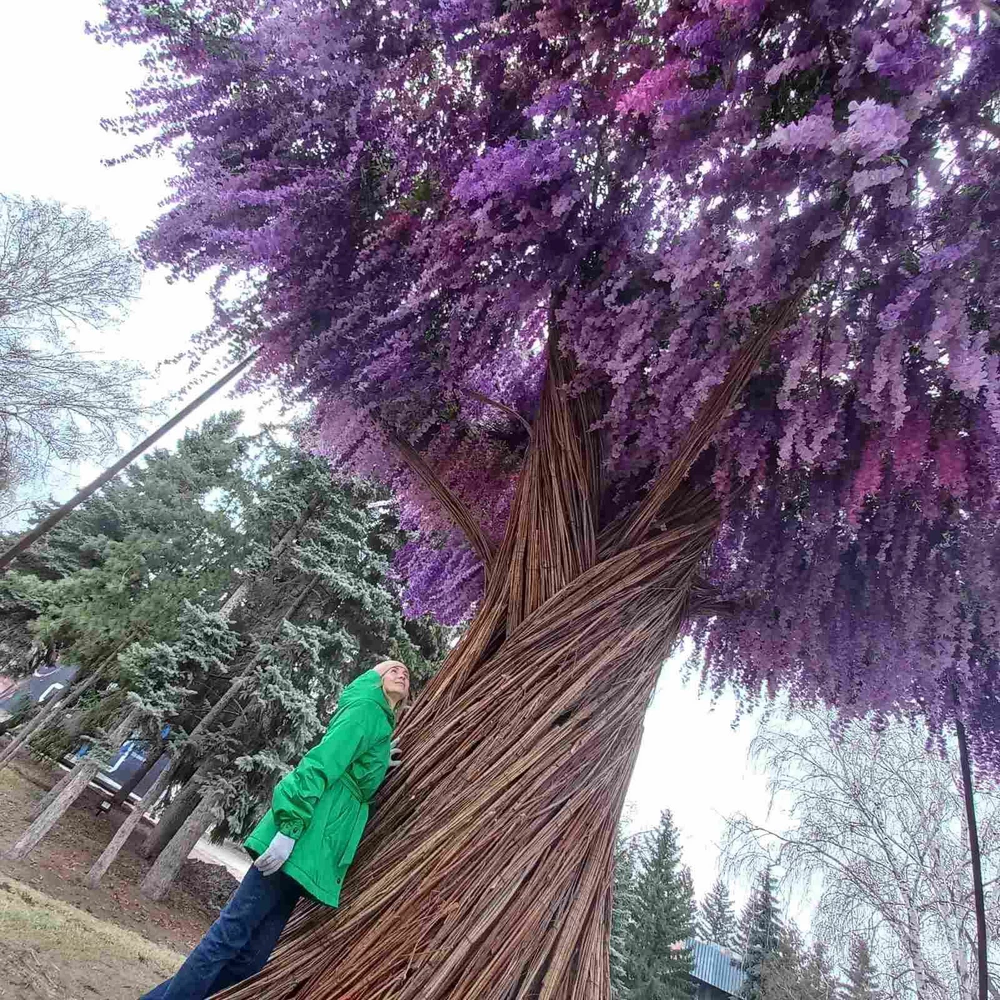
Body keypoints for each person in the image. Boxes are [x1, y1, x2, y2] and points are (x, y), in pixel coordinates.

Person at [139, 659, 410, 1000]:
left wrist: (377, 759)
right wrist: (289, 829)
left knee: (250, 961)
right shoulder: (365, 710)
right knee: (227, 938)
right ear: (372, 680)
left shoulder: (377, 723)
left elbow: (349, 766)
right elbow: (318, 765)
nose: (401, 673)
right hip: (299, 838)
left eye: (405, 673)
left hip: (311, 852)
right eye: (391, 669)